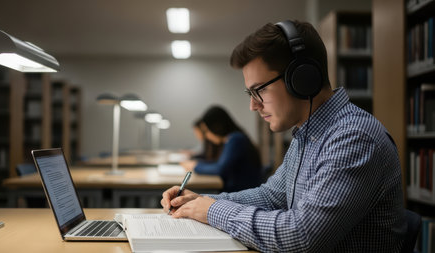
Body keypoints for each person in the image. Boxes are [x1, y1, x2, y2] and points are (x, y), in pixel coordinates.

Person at [161, 20, 406, 252]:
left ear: (301, 78)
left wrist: (213, 210)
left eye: (260, 90)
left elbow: (301, 236)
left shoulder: (354, 139)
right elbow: (270, 197)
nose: (253, 106)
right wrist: (200, 200)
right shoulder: (307, 134)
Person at [181, 105, 262, 192]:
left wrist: (195, 166)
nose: (207, 136)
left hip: (239, 192)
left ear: (217, 126)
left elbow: (220, 169)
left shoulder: (235, 139)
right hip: (238, 190)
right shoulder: (233, 138)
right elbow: (219, 163)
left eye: (207, 130)